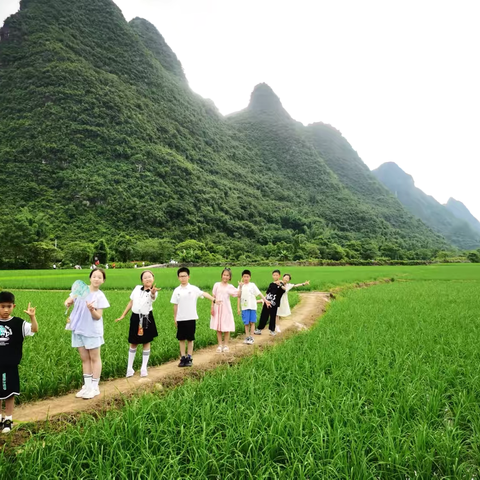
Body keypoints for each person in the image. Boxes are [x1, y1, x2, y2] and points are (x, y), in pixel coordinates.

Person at [64, 268, 110, 399]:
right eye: (94, 276)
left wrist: (91, 310)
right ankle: (87, 386)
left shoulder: (100, 296)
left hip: (92, 331)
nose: (96, 279)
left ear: (103, 281)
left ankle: (95, 387)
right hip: (78, 328)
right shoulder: (80, 289)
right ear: (90, 278)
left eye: (99, 277)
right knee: (84, 358)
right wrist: (67, 302)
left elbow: (98, 316)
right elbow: (69, 300)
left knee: (94, 358)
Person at [0, 292, 38, 434]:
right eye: (2, 306)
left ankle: (8, 419)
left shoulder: (18, 323)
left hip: (11, 365)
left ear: (13, 306)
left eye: (8, 307)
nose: (5, 310)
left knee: (10, 393)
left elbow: (34, 329)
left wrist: (32, 317)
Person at [171, 267, 220, 367]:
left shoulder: (193, 289)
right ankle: (182, 358)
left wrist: (214, 300)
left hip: (191, 317)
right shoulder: (176, 291)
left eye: (184, 276)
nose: (183, 278)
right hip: (181, 318)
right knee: (181, 339)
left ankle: (189, 357)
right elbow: (175, 305)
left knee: (190, 339)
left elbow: (204, 293)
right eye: (181, 276)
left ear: (188, 277)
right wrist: (175, 318)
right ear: (178, 278)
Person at [115, 270, 160, 377]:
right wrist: (123, 315)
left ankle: (144, 368)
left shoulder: (154, 291)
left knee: (146, 342)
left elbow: (152, 297)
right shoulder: (136, 288)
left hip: (146, 317)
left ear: (153, 279)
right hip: (135, 317)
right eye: (145, 277)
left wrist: (152, 292)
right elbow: (131, 302)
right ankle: (129, 368)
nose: (148, 279)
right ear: (142, 280)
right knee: (133, 342)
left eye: (150, 277)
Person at [210, 268, 239, 353]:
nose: (225, 277)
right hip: (217, 308)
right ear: (221, 275)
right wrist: (212, 307)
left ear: (230, 277)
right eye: (224, 275)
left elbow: (238, 294)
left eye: (227, 275)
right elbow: (213, 297)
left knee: (226, 327)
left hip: (226, 309)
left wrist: (240, 286)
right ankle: (219, 345)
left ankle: (226, 345)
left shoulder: (230, 287)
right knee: (218, 327)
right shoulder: (216, 285)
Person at [237, 269, 269, 345]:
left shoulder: (252, 285)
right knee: (246, 323)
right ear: (242, 277)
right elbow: (238, 296)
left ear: (250, 277)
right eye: (244, 276)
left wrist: (265, 301)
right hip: (244, 307)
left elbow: (259, 293)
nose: (246, 278)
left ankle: (251, 337)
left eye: (247, 276)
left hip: (252, 306)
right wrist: (238, 307)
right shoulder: (240, 286)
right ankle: (247, 337)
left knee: (252, 322)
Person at [254, 270, 286, 336]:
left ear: (279, 276)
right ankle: (259, 329)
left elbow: (284, 289)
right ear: (272, 276)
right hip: (267, 302)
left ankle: (272, 330)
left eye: (276, 275)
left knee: (273, 317)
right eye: (274, 275)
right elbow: (267, 293)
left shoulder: (281, 283)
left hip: (274, 303)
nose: (275, 276)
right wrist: (264, 300)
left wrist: (279, 285)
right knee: (263, 316)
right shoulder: (271, 284)